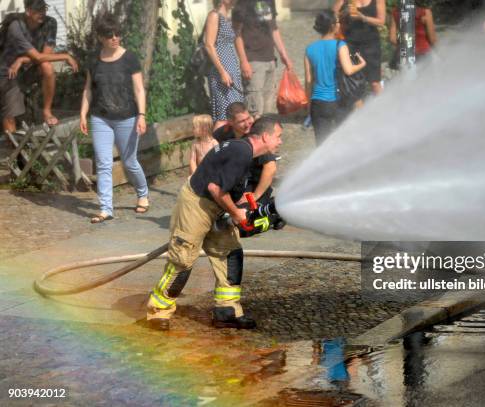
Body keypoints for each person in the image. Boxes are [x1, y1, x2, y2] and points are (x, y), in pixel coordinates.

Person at [146, 117, 283, 331]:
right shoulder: (241, 152)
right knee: (183, 259)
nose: (280, 141)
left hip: (217, 206)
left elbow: (228, 185)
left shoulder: (245, 151)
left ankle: (227, 312)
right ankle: (158, 311)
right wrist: (237, 213)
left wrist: (245, 206)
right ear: (265, 136)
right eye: (278, 136)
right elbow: (214, 188)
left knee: (229, 254)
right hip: (197, 204)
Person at [79, 15, 149, 223]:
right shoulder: (94, 60)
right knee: (103, 163)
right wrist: (83, 112)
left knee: (130, 162)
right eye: (110, 35)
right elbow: (88, 90)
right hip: (100, 118)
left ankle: (143, 193)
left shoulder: (130, 58)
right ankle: (106, 208)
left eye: (118, 34)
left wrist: (142, 115)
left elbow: (139, 89)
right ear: (101, 37)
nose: (115, 38)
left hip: (127, 117)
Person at [0, 0, 79, 133]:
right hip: (9, 71)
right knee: (10, 115)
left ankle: (47, 111)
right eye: (38, 10)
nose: (42, 13)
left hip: (29, 67)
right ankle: (14, 150)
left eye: (44, 8)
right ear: (28, 11)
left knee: (47, 66)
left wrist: (22, 59)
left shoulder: (50, 23)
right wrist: (66, 56)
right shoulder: (16, 26)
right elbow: (37, 57)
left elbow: (45, 55)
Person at [304, 10, 366, 145]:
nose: (339, 25)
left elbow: (308, 80)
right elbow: (349, 70)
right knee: (342, 141)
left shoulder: (309, 49)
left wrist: (309, 106)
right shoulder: (340, 45)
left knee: (321, 143)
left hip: (318, 103)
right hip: (338, 101)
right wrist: (362, 64)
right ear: (333, 25)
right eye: (337, 22)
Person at [232, 0, 293, 119]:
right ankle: (254, 135)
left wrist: (283, 54)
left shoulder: (270, 2)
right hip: (253, 60)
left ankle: (264, 134)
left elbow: (274, 29)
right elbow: (236, 33)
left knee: (268, 107)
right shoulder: (242, 4)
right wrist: (244, 61)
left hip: (270, 59)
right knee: (255, 107)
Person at [213, 102, 278, 210]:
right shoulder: (221, 135)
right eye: (242, 121)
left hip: (255, 185)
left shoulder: (257, 135)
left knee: (244, 219)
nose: (248, 123)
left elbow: (270, 168)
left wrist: (255, 196)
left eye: (248, 118)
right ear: (230, 122)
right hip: (233, 185)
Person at [332, 0, 385, 97]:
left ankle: (384, 109)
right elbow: (333, 17)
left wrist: (363, 17)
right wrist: (344, 13)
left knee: (374, 82)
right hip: (351, 42)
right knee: (352, 81)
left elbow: (381, 21)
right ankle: (358, 109)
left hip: (371, 43)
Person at [204, 0, 244, 127]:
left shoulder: (228, 16)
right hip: (221, 71)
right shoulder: (214, 15)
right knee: (224, 115)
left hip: (232, 69)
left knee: (235, 112)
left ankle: (230, 145)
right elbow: (209, 45)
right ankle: (215, 146)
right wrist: (222, 71)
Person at [388, 0, 438, 70]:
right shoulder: (425, 12)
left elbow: (392, 39)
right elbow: (432, 39)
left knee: (407, 79)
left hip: (404, 55)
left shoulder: (395, 13)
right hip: (423, 53)